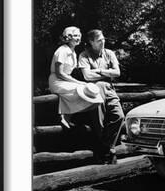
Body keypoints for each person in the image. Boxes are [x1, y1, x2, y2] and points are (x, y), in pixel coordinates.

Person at [78, 29, 124, 164]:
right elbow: (87, 76)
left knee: (119, 116)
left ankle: (105, 147)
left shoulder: (109, 53)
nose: (103, 42)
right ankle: (108, 151)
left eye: (103, 39)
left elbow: (117, 72)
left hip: (109, 89)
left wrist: (99, 71)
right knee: (99, 120)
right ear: (91, 42)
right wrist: (107, 73)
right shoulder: (84, 55)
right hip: (94, 90)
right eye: (99, 40)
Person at [48, 27, 103, 128]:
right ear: (68, 37)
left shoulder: (73, 52)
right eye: (75, 36)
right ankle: (65, 117)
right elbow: (59, 73)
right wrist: (77, 82)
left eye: (79, 36)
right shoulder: (62, 51)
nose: (78, 38)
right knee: (81, 88)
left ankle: (68, 117)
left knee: (90, 92)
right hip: (57, 80)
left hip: (65, 79)